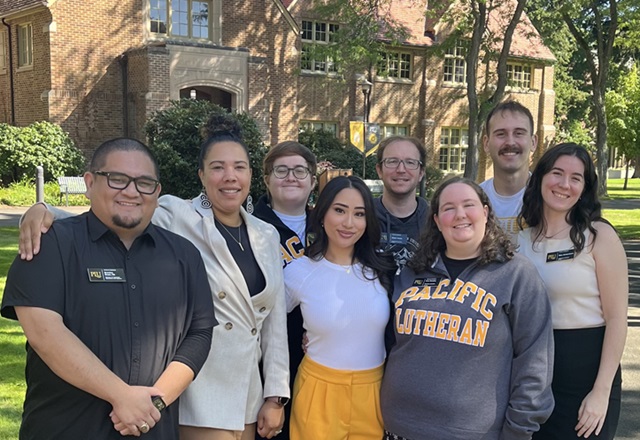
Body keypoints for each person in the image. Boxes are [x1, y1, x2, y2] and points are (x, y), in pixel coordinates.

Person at [17, 115, 290, 440]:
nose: (229, 177)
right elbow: (119, 208)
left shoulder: (265, 234)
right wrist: (40, 209)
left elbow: (273, 324)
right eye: (217, 167)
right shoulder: (178, 213)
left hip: (246, 392)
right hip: (199, 391)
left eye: (239, 167)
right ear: (202, 175)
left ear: (250, 175)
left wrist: (275, 394)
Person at [1, 138, 217, 439]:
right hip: (64, 429)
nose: (131, 191)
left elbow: (199, 334)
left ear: (157, 191)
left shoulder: (184, 256)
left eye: (144, 183)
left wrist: (153, 404)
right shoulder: (49, 245)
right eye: (117, 179)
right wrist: (121, 396)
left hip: (152, 429)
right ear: (90, 183)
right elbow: (43, 333)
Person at [381, 176, 554, 440]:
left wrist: (518, 430)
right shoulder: (411, 271)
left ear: (485, 212)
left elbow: (535, 361)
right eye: (448, 208)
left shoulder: (516, 274)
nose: (459, 214)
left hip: (474, 432)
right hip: (399, 425)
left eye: (468, 205)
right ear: (437, 221)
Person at [518, 143, 628, 440]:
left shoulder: (598, 235)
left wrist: (601, 391)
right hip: (534, 372)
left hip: (587, 372)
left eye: (576, 178)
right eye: (557, 173)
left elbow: (618, 319)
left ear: (584, 187)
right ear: (540, 177)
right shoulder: (519, 242)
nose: (565, 184)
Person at [284, 176, 395, 440]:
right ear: (322, 214)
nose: (348, 223)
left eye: (359, 214)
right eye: (339, 210)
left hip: (375, 393)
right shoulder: (299, 271)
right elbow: (270, 330)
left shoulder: (384, 270)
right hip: (318, 391)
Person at [252, 141, 317, 440]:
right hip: (265, 360)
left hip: (319, 359)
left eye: (299, 170)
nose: (291, 177)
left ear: (313, 180)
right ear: (266, 179)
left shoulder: (332, 224)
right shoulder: (248, 226)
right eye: (281, 170)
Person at [480, 100, 537, 239]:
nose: (510, 142)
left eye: (519, 133)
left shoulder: (548, 198)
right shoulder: (474, 199)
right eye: (501, 134)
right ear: (486, 143)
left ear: (533, 142)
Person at [374, 136, 429, 272]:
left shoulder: (436, 221)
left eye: (410, 162)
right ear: (379, 170)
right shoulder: (363, 217)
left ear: (421, 172)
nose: (401, 169)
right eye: (392, 161)